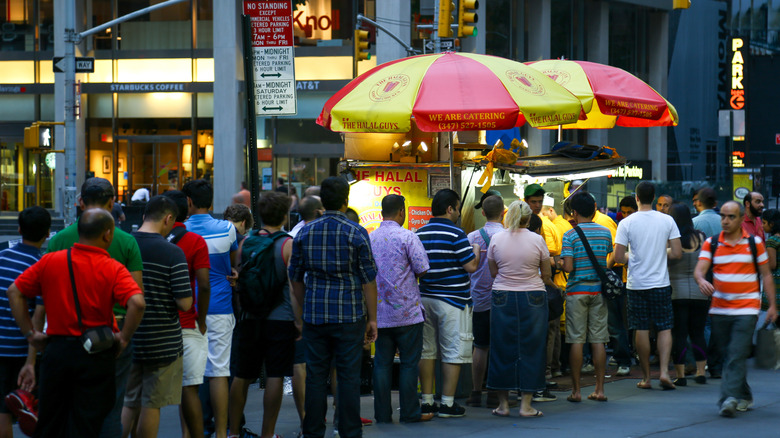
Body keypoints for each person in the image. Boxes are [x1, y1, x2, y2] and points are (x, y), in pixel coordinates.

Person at [7, 209, 146, 438]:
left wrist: (30, 334)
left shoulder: (50, 261)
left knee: (51, 421)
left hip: (57, 351)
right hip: (96, 353)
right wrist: (124, 337)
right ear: (108, 234)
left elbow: (15, 292)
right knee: (88, 423)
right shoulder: (113, 268)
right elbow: (137, 303)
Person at [47, 177, 144, 438]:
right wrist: (124, 338)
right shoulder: (125, 242)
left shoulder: (59, 241)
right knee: (111, 404)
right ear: (113, 202)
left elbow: (38, 293)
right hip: (111, 331)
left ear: (80, 203)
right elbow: (137, 296)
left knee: (69, 402)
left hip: (65, 330)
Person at [289, 176, 378, 438]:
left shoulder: (305, 232)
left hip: (315, 316)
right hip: (350, 316)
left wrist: (303, 312)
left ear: (322, 202)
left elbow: (295, 278)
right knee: (349, 376)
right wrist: (372, 319)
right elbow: (368, 280)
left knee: (316, 376)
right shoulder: (356, 232)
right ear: (345, 201)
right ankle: (350, 431)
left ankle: (313, 432)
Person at [693, 201, 778, 417]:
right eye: (723, 216)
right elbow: (699, 270)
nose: (726, 220)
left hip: (746, 309)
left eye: (731, 216)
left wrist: (772, 306)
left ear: (741, 219)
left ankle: (728, 398)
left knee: (736, 353)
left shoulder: (754, 242)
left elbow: (766, 274)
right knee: (729, 355)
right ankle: (745, 394)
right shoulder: (712, 243)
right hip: (720, 309)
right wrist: (701, 280)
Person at [229, 191, 301, 438]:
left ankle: (233, 432)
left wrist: (242, 311)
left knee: (241, 375)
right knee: (275, 375)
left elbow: (239, 281)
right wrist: (298, 321)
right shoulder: (287, 244)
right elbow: (293, 287)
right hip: (279, 319)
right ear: (284, 216)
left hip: (249, 318)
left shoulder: (245, 243)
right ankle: (267, 434)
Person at [122, 196, 193, 438]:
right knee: (152, 404)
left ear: (143, 216)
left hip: (127, 336)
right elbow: (184, 303)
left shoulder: (124, 245)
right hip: (163, 340)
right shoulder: (172, 252)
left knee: (129, 401)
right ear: (168, 219)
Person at [416, 189, 480, 418]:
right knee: (453, 351)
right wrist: (476, 251)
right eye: (458, 207)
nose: (459, 212)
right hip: (452, 301)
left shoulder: (419, 232)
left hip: (424, 299)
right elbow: (471, 267)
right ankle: (448, 404)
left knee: (427, 351)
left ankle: (426, 400)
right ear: (450, 208)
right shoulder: (456, 233)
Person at [183, 179, 239, 438]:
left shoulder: (179, 232)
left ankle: (189, 433)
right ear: (212, 201)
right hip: (220, 307)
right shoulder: (227, 229)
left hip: (186, 310)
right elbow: (232, 266)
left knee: (189, 377)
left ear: (189, 202)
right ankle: (220, 433)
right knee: (218, 372)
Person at [614, 181, 682, 390]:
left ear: (636, 198)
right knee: (664, 327)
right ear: (653, 198)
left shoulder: (626, 223)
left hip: (636, 285)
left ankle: (646, 377)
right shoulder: (667, 220)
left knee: (640, 328)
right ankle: (663, 372)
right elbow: (678, 253)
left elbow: (618, 256)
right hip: (660, 283)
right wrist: (662, 252)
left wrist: (633, 255)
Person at [369, 194, 431, 423]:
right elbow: (422, 268)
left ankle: (382, 415)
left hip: (380, 314)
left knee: (382, 365)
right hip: (407, 313)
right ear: (401, 212)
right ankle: (410, 413)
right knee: (408, 364)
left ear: (382, 212)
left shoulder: (370, 238)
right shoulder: (408, 236)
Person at [486, 200, 551, 418]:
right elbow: (547, 273)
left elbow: (493, 271)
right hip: (533, 296)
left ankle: (503, 405)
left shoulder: (496, 238)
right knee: (532, 348)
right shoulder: (538, 240)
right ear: (528, 218)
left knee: (502, 347)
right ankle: (526, 405)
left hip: (502, 295)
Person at [161, 190, 211, 438]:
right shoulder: (195, 241)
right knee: (190, 388)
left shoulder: (146, 240)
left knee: (144, 394)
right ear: (188, 206)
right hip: (187, 323)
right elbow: (203, 285)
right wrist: (201, 321)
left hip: (154, 326)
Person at [0, 207, 50, 437]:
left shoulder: (1, 257)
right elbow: (37, 317)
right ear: (47, 233)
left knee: (2, 409)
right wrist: (32, 359)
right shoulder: (41, 267)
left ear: (19, 229)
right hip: (22, 349)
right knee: (29, 409)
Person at [560, 191, 612, 403]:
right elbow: (606, 259)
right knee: (599, 340)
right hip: (598, 291)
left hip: (576, 291)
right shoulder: (605, 232)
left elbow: (569, 266)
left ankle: (576, 391)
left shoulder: (569, 235)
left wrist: (560, 263)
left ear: (574, 212)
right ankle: (599, 389)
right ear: (595, 209)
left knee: (576, 341)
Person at [466, 195, 505, 408]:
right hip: (503, 299)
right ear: (503, 212)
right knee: (500, 346)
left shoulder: (472, 236)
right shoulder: (508, 236)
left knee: (480, 346)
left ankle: (475, 392)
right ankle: (496, 393)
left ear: (483, 213)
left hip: (479, 299)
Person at [523, 184, 560, 402]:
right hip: (534, 292)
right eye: (533, 202)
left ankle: (538, 379)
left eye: (539, 202)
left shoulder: (545, 223)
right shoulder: (526, 225)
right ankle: (535, 384)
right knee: (536, 340)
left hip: (520, 294)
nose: (537, 206)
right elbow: (547, 268)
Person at [667, 203, 709, 386]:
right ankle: (701, 372)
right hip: (700, 292)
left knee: (680, 335)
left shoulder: (671, 240)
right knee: (698, 333)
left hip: (677, 293)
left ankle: (681, 375)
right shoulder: (701, 237)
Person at [540, 195, 567, 382]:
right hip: (557, 284)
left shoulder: (543, 224)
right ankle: (555, 367)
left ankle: (548, 370)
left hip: (549, 283)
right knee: (555, 329)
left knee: (550, 330)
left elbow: (549, 255)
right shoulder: (558, 224)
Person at [761, 209, 780, 326]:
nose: (762, 226)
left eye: (764, 223)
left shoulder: (772, 241)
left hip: (776, 283)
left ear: (771, 224)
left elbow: (772, 265)